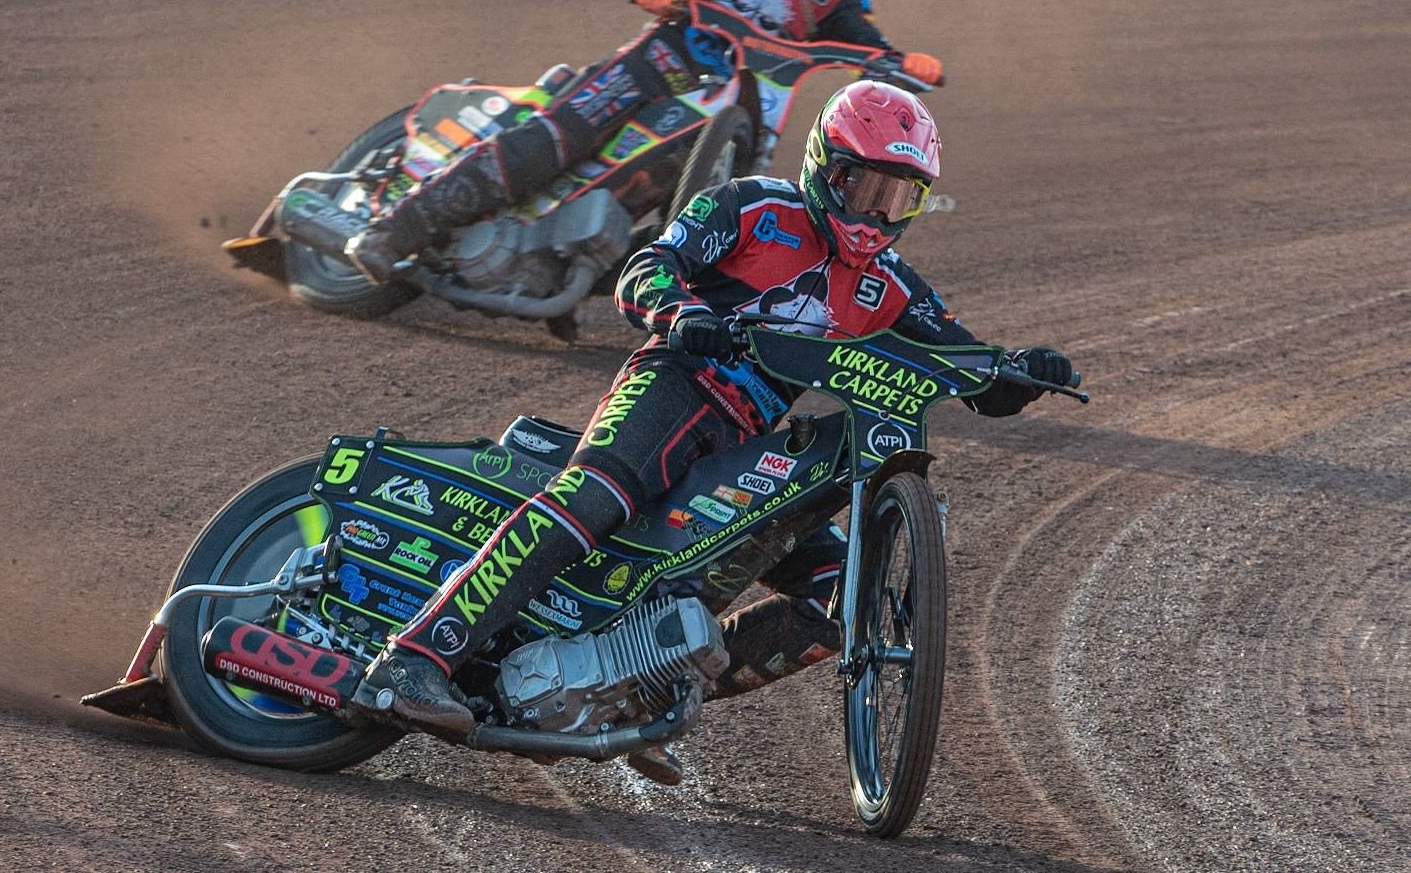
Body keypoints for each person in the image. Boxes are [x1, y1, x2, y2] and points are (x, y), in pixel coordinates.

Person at [357, 81, 1076, 778]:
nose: (879, 214)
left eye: (900, 196)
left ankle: (643, 690)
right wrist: (682, 312)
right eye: (866, 189)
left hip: (751, 440)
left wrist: (1018, 369)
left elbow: (963, 359)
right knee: (592, 498)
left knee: (838, 598)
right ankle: (416, 658)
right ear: (828, 165)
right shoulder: (753, 206)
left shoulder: (892, 285)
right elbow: (647, 267)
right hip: (674, 382)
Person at [341, 0, 945, 285]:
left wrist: (903, 64)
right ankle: (396, 229)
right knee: (559, 137)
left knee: (756, 204)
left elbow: (865, 42)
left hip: (751, 106)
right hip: (659, 65)